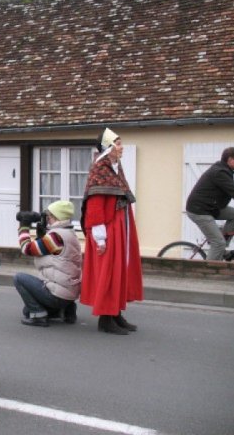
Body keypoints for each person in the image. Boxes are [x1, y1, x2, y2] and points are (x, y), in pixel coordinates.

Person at [80, 128, 143, 335]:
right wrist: (100, 237)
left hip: (120, 227)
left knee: (120, 270)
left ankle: (116, 313)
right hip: (107, 229)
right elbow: (95, 206)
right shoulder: (100, 169)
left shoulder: (116, 168)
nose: (121, 147)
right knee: (109, 272)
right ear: (108, 147)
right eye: (118, 143)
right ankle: (106, 319)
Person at [13, 200, 81, 327]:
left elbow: (27, 249)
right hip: (69, 294)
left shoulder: (55, 237)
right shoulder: (69, 233)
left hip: (57, 295)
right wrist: (42, 235)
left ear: (57, 217)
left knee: (19, 278)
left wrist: (24, 226)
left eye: (49, 216)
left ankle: (39, 316)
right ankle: (65, 310)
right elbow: (50, 253)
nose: (47, 219)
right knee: (26, 311)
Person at [185, 147, 234, 260]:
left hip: (212, 207)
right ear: (230, 159)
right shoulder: (220, 173)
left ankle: (221, 247)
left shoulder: (224, 170)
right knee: (218, 243)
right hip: (199, 210)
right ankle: (208, 269)